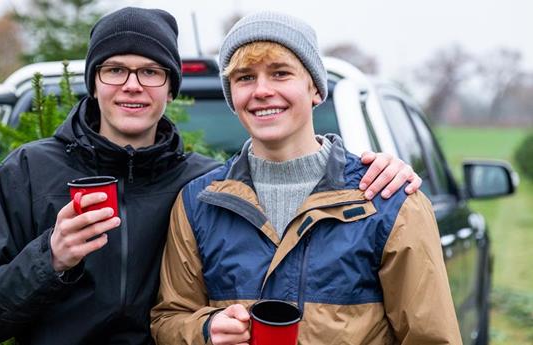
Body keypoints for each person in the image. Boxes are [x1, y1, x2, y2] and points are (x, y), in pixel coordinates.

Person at [0, 7, 421, 345]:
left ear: (170, 85)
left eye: (151, 71)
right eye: (115, 69)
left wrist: (377, 167)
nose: (132, 85)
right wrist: (51, 257)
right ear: (94, 80)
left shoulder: (202, 187)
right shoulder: (28, 171)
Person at [150, 11, 462, 345]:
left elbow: (430, 338)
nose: (262, 90)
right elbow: (169, 318)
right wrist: (205, 331)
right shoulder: (198, 203)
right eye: (245, 78)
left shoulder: (389, 201)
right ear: (232, 97)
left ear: (314, 87)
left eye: (280, 73)